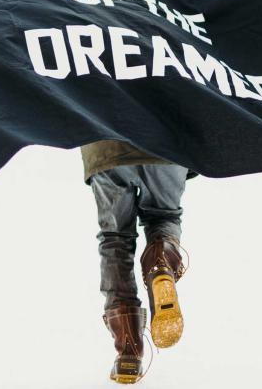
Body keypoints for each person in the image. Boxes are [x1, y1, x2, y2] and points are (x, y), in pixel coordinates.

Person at [80, 139, 198, 384]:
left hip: (106, 143)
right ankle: (160, 266)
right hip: (167, 142)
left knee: (115, 237)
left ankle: (128, 352)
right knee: (162, 218)